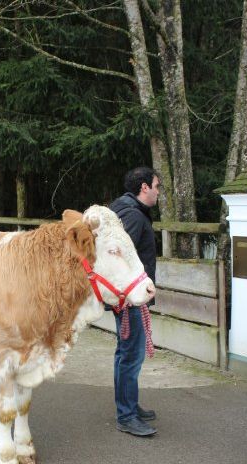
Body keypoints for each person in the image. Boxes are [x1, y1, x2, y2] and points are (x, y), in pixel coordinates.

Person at [108, 166, 160, 437]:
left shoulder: (124, 211)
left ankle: (129, 405)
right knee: (131, 356)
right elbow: (117, 256)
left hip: (128, 295)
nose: (158, 192)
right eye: (156, 186)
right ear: (144, 187)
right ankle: (126, 415)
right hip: (131, 298)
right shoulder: (134, 216)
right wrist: (127, 296)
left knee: (125, 353)